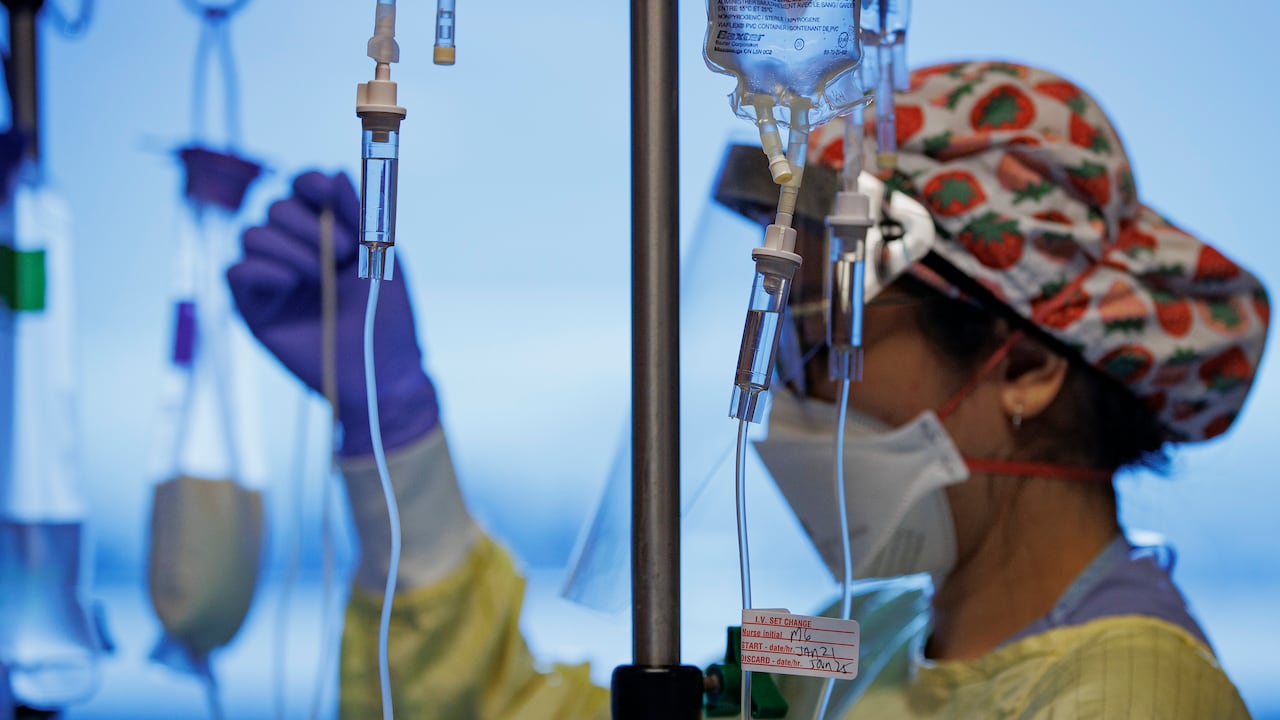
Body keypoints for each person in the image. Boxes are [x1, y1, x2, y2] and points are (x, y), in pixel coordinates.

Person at [227, 61, 1267, 718]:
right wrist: (389, 423)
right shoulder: (856, 635)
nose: (784, 399)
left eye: (823, 338)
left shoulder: (1134, 695)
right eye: (777, 347)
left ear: (1028, 366)